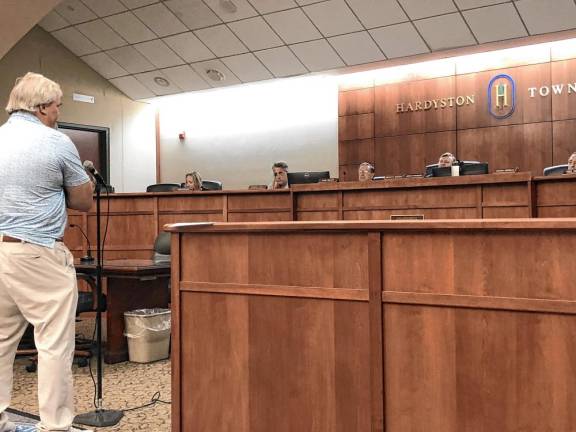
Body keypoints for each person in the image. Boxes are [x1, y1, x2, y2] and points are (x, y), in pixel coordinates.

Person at [0, 72, 94, 432]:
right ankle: (56, 426)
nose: (58, 112)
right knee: (53, 342)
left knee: (1, 339)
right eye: (57, 106)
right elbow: (83, 200)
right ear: (41, 107)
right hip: (37, 252)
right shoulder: (55, 142)